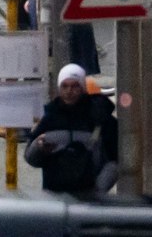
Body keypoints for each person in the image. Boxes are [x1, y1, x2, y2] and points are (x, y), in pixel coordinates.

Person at [26, 63, 118, 195]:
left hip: (90, 199)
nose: (69, 91)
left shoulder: (100, 118)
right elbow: (31, 159)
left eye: (75, 86)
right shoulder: (50, 117)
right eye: (65, 86)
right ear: (59, 88)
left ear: (83, 88)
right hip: (54, 195)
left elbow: (115, 161)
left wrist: (98, 190)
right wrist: (38, 148)